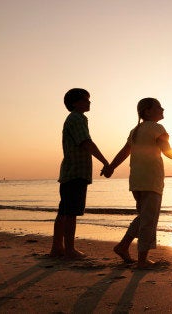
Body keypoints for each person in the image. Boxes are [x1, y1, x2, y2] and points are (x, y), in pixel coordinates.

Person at [106, 98, 172, 268]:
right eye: (158, 107)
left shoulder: (136, 130)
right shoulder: (157, 128)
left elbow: (124, 152)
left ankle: (123, 246)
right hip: (151, 180)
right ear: (147, 111)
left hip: (136, 180)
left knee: (144, 217)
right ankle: (142, 260)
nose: (163, 108)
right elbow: (168, 152)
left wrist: (111, 167)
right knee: (149, 220)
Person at [51, 88, 111, 259]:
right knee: (71, 212)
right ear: (76, 103)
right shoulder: (77, 118)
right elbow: (86, 142)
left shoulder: (75, 118)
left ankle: (57, 248)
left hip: (71, 171)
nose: (89, 102)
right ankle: (69, 249)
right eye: (86, 99)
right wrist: (105, 162)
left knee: (64, 211)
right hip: (76, 171)